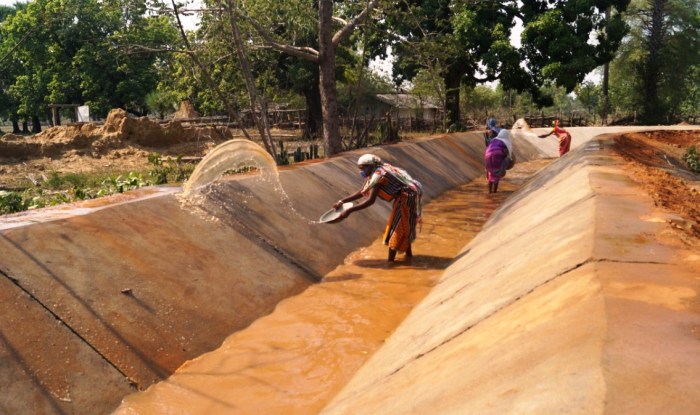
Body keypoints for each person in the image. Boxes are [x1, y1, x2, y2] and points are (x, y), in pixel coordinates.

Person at [332, 154, 423, 262]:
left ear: (370, 166)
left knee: (397, 228)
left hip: (407, 196)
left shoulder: (379, 176)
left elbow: (370, 201)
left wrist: (349, 210)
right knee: (404, 225)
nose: (361, 171)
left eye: (362, 168)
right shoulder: (378, 170)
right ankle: (409, 258)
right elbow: (362, 191)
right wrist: (342, 201)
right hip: (411, 194)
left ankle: (391, 263)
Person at [484, 128, 514, 194]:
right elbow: (508, 153)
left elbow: (488, 146)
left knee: (491, 174)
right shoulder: (506, 142)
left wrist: (485, 136)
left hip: (487, 157)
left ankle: (490, 192)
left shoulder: (493, 140)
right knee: (497, 174)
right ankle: (495, 192)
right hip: (497, 159)